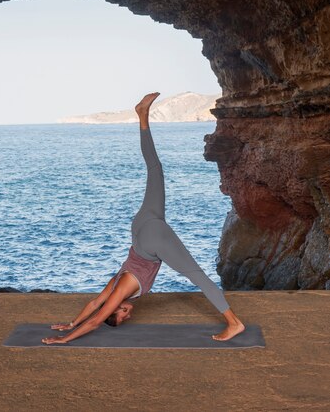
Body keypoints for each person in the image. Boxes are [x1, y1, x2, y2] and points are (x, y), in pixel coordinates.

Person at [42, 92, 245, 345]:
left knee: (198, 277)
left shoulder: (121, 289)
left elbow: (96, 317)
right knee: (155, 169)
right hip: (140, 227)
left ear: (116, 306)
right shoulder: (115, 282)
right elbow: (94, 303)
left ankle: (234, 323)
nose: (128, 313)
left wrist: (66, 338)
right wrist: (71, 322)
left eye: (123, 312)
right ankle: (143, 116)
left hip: (151, 241)